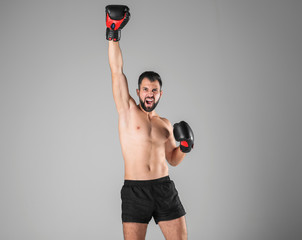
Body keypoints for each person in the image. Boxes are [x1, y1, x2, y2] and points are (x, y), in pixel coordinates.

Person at [106, 5, 194, 240]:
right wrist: (113, 35)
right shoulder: (127, 110)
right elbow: (117, 71)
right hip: (135, 191)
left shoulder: (165, 124)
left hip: (164, 188)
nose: (149, 94)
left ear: (160, 94)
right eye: (145, 89)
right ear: (138, 91)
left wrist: (184, 148)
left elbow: (173, 160)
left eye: (154, 90)